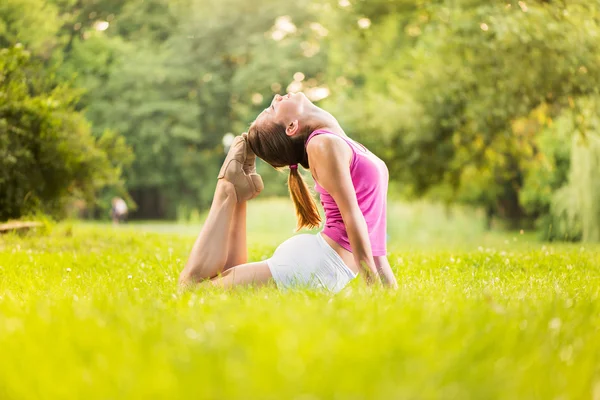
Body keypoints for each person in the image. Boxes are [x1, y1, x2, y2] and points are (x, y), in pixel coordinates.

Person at [179, 92, 397, 291]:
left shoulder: (343, 145)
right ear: (292, 126)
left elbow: (375, 239)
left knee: (224, 281)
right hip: (312, 265)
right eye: (273, 109)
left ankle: (237, 192)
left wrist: (389, 292)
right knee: (192, 290)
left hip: (318, 263)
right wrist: (372, 284)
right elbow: (351, 216)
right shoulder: (322, 144)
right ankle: (228, 189)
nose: (276, 97)